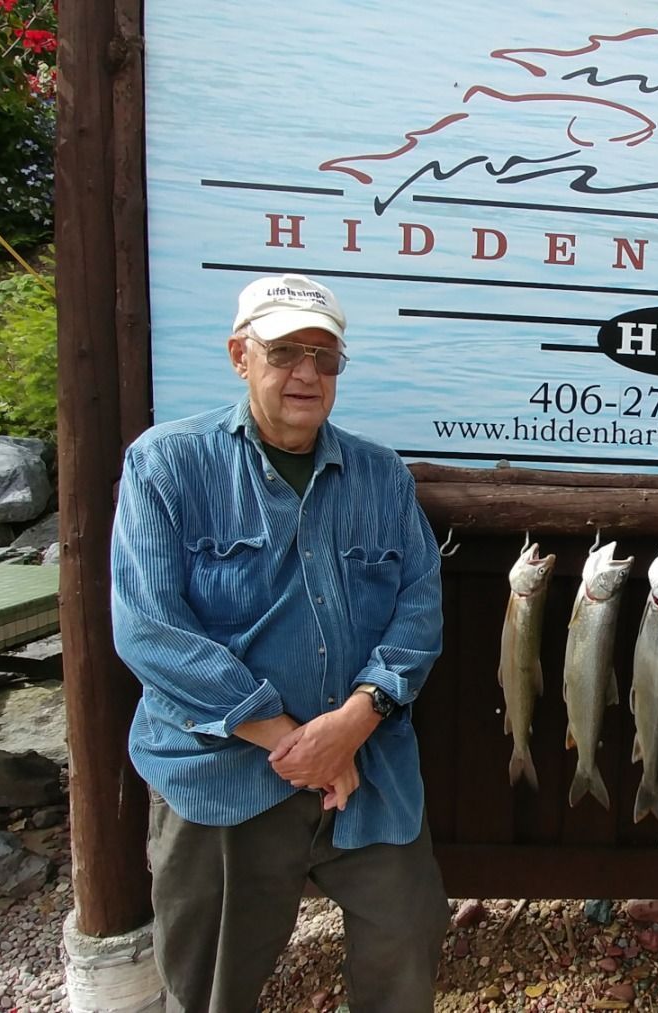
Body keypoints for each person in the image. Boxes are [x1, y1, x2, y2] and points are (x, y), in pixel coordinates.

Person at [111, 274, 447, 1012]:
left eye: (326, 358)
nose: (307, 374)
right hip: (223, 772)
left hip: (368, 767)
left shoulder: (380, 474)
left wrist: (356, 719)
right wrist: (295, 741)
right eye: (286, 351)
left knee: (409, 941)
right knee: (211, 987)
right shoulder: (166, 463)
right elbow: (150, 631)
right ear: (240, 355)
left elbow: (419, 610)